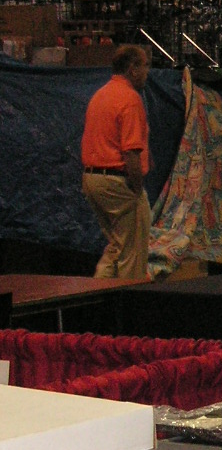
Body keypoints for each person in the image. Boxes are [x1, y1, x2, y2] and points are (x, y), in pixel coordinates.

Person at [81, 43, 152, 280]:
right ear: (133, 69)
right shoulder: (129, 99)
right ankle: (130, 299)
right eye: (145, 66)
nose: (147, 72)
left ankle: (95, 296)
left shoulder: (100, 95)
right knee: (133, 253)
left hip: (92, 180)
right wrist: (137, 189)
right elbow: (131, 152)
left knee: (116, 246)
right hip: (117, 182)